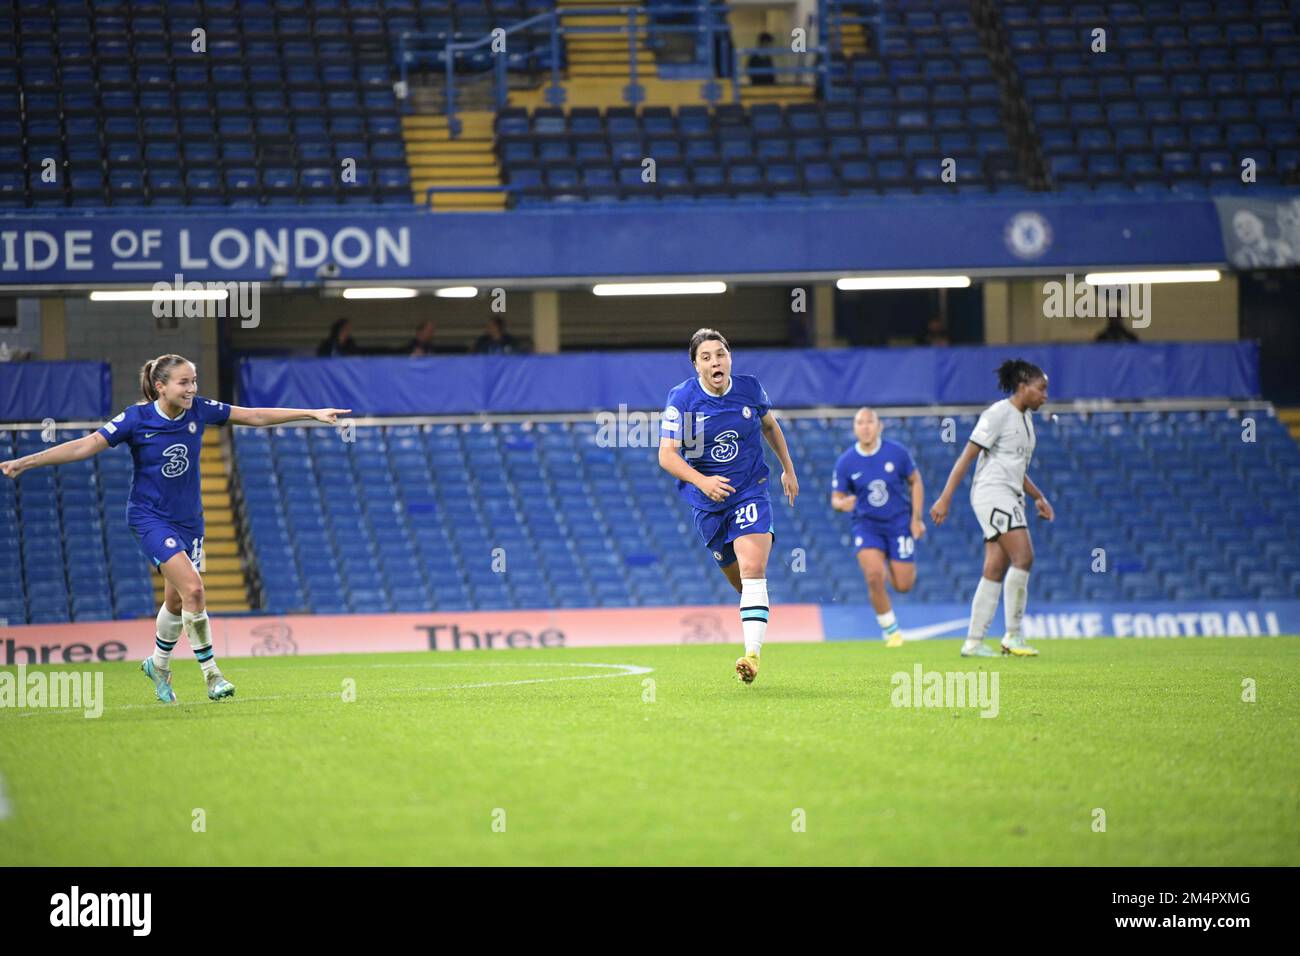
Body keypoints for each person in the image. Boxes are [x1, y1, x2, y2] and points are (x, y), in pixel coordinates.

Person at [0, 354, 350, 703]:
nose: (191, 389)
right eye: (184, 382)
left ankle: (158, 664)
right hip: (149, 517)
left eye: (194, 381)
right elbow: (86, 445)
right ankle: (212, 675)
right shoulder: (136, 418)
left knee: (176, 600)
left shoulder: (199, 409)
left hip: (190, 521)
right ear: (160, 386)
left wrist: (312, 413)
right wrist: (26, 461)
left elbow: (254, 415)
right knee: (194, 591)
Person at [657, 328, 799, 683]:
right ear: (696, 366)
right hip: (707, 503)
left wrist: (788, 469)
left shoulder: (749, 388)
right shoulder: (683, 400)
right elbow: (666, 455)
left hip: (751, 489)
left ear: (729, 358)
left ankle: (752, 656)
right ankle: (756, 609)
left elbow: (770, 426)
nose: (715, 361)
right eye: (706, 357)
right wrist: (702, 481)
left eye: (720, 354)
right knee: (741, 583)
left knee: (753, 569)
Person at [929, 359, 1054, 658]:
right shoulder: (998, 413)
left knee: (994, 568)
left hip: (1010, 494)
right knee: (1023, 556)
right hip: (992, 494)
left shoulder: (1026, 420)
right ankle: (1013, 635)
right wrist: (945, 497)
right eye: (1041, 389)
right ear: (1023, 387)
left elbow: (1014, 468)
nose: (1045, 395)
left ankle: (973, 641)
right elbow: (967, 457)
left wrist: (1038, 496)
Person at [830, 408, 925, 647]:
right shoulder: (846, 461)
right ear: (854, 428)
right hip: (866, 526)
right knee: (873, 575)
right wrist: (843, 504)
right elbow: (836, 498)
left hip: (899, 524)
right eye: (859, 423)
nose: (865, 427)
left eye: (869, 422)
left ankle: (895, 561)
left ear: (879, 426)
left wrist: (916, 518)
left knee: (904, 585)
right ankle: (891, 631)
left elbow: (915, 481)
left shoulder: (897, 453)